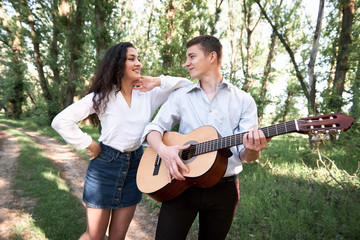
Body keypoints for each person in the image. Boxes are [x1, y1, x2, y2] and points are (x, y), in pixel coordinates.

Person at [51, 42, 191, 240]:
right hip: (105, 166)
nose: (138, 63)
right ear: (118, 64)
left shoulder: (149, 94)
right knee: (95, 235)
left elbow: (187, 85)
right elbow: (60, 121)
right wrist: (89, 143)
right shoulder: (102, 96)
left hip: (136, 166)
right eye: (131, 59)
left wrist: (156, 81)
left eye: (139, 58)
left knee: (118, 236)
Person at [141, 35, 270, 240]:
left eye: (192, 56)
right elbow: (154, 128)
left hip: (223, 190)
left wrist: (254, 148)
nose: (186, 63)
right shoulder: (181, 96)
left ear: (211, 57)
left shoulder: (244, 100)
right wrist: (164, 151)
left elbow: (247, 156)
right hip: (180, 185)